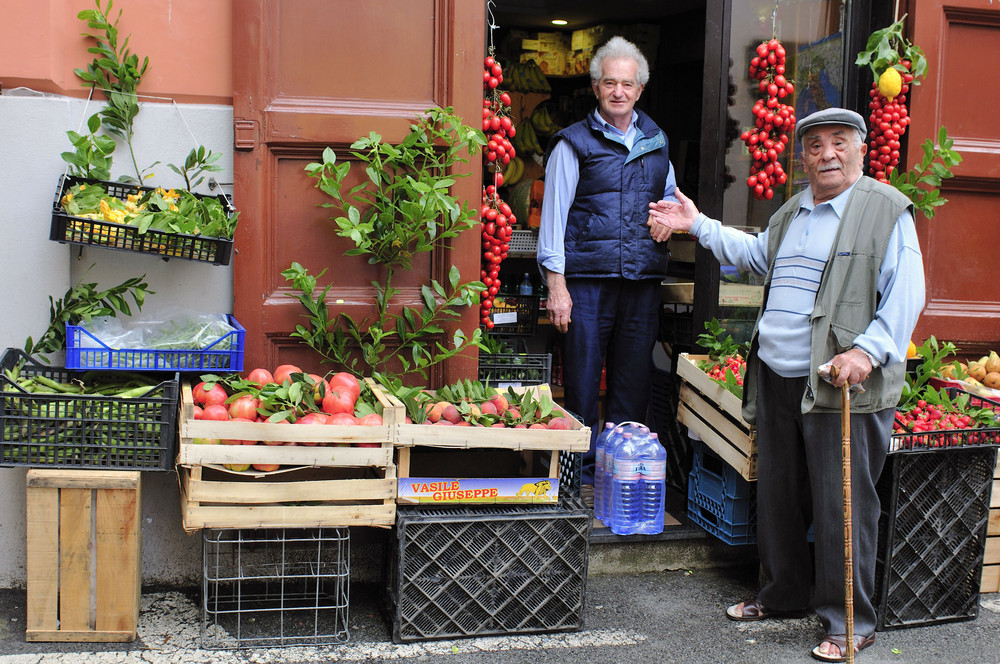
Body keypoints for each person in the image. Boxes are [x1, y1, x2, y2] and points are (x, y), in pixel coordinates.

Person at [647, 107, 925, 662]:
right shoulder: (794, 210)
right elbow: (754, 257)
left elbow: (906, 293)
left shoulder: (885, 210)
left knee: (843, 501)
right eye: (815, 145)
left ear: (860, 148)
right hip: (777, 373)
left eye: (839, 143)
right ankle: (783, 594)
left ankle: (850, 622)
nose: (827, 154)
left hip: (838, 381)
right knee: (777, 493)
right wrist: (697, 225)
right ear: (802, 157)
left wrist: (867, 352)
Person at [536, 36, 677, 494]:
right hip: (587, 283)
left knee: (631, 387)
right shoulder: (573, 143)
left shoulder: (657, 141)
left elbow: (671, 201)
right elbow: (552, 220)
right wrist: (556, 286)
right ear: (596, 88)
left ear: (640, 89)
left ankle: (618, 487)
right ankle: (571, 489)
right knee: (580, 386)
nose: (619, 91)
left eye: (628, 84)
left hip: (640, 282)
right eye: (609, 83)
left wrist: (667, 221)